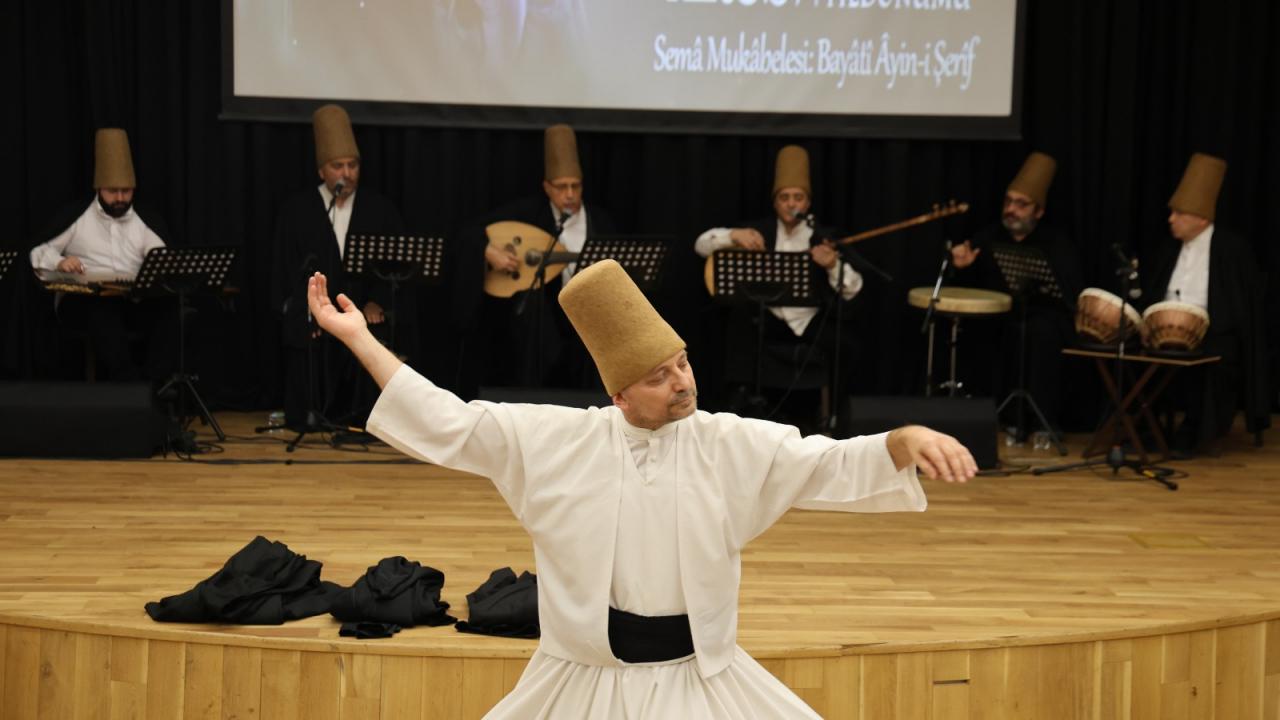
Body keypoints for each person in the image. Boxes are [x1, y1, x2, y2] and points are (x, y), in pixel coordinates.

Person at [307, 258, 975, 718]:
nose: (683, 382)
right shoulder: (555, 441)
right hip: (582, 677)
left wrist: (905, 438)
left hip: (699, 678)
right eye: (659, 376)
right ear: (620, 394)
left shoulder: (728, 442)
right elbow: (445, 420)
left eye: (682, 363)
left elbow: (826, 462)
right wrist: (360, 339)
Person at [694, 145, 862, 428]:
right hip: (766, 319)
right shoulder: (758, 230)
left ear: (808, 203)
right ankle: (735, 411)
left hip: (807, 320)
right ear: (775, 203)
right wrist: (733, 235)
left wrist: (833, 264)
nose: (791, 203)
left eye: (798, 197)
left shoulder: (823, 237)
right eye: (784, 197)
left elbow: (853, 288)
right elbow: (701, 244)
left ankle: (833, 417)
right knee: (734, 322)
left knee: (845, 344)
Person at [270, 104, 405, 431]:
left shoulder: (379, 209)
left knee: (377, 331)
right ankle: (311, 415)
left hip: (360, 308)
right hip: (314, 309)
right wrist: (307, 308)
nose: (347, 173)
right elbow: (285, 269)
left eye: (352, 165)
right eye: (338, 166)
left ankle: (365, 419)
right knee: (302, 332)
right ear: (322, 171)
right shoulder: (297, 210)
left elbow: (394, 267)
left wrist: (375, 301)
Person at [469, 123, 618, 390]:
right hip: (544, 322)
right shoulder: (529, 213)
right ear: (547, 187)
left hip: (589, 315)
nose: (569, 194)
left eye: (575, 186)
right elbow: (471, 232)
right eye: (561, 187)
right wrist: (488, 250)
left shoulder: (601, 221)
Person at [1143, 152, 1269, 454]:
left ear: (1201, 217)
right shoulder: (1167, 249)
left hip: (1213, 332)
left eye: (1178, 213)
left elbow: (1242, 308)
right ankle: (1147, 427)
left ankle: (1194, 430)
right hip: (1166, 331)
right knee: (1134, 351)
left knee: (1216, 358)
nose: (1171, 219)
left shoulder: (1232, 250)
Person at [949, 151, 1082, 437]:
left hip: (1044, 317)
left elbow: (1067, 294)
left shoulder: (1056, 243)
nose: (1011, 209)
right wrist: (962, 268)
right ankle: (996, 415)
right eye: (1008, 202)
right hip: (999, 317)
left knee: (1039, 334)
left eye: (1021, 204)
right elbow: (970, 288)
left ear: (1038, 211)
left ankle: (1039, 420)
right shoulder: (988, 236)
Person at [29, 128, 172, 381]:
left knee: (173, 311)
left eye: (126, 191)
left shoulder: (144, 221)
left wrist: (157, 264)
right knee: (101, 312)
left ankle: (155, 384)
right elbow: (39, 251)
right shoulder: (78, 218)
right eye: (113, 191)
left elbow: (160, 255)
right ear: (99, 188)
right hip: (84, 302)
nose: (120, 198)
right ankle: (128, 384)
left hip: (130, 301)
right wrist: (60, 261)